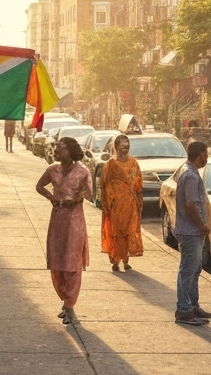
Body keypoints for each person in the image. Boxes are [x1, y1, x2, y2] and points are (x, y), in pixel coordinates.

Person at [36, 136, 93, 324]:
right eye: (56, 148)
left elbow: (92, 195)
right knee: (58, 260)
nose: (56, 151)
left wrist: (80, 195)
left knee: (72, 262)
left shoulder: (83, 172)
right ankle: (64, 300)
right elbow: (39, 186)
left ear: (70, 151)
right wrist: (51, 197)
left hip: (75, 221)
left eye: (61, 148)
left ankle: (70, 305)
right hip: (58, 219)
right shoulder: (52, 170)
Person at [173, 140, 211, 326]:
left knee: (194, 270)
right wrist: (201, 226)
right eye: (206, 154)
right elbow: (190, 205)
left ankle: (193, 305)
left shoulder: (189, 171)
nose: (207, 158)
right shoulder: (190, 175)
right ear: (200, 155)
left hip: (192, 231)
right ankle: (184, 309)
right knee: (188, 271)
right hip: (190, 231)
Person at [100, 134, 144, 272]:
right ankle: (115, 260)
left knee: (128, 231)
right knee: (116, 232)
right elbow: (104, 185)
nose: (125, 149)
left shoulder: (133, 164)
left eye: (127, 146)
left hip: (130, 204)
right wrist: (106, 205)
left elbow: (138, 184)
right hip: (115, 205)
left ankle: (125, 260)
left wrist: (139, 202)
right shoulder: (110, 165)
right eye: (122, 146)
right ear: (116, 147)